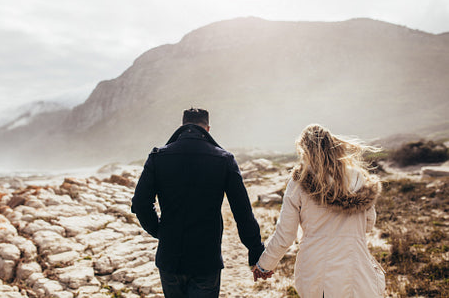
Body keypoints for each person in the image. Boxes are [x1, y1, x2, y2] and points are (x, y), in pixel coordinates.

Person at [131, 108, 265, 298]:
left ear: (182, 126)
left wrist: (160, 231)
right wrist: (255, 250)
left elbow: (140, 203)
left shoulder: (158, 157)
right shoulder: (224, 159)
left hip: (170, 258)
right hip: (206, 260)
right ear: (207, 129)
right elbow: (242, 212)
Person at [253, 124, 386, 297]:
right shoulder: (359, 178)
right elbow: (369, 225)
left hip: (315, 271)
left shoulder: (299, 181)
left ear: (304, 151)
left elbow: (285, 234)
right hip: (356, 268)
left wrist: (264, 265)